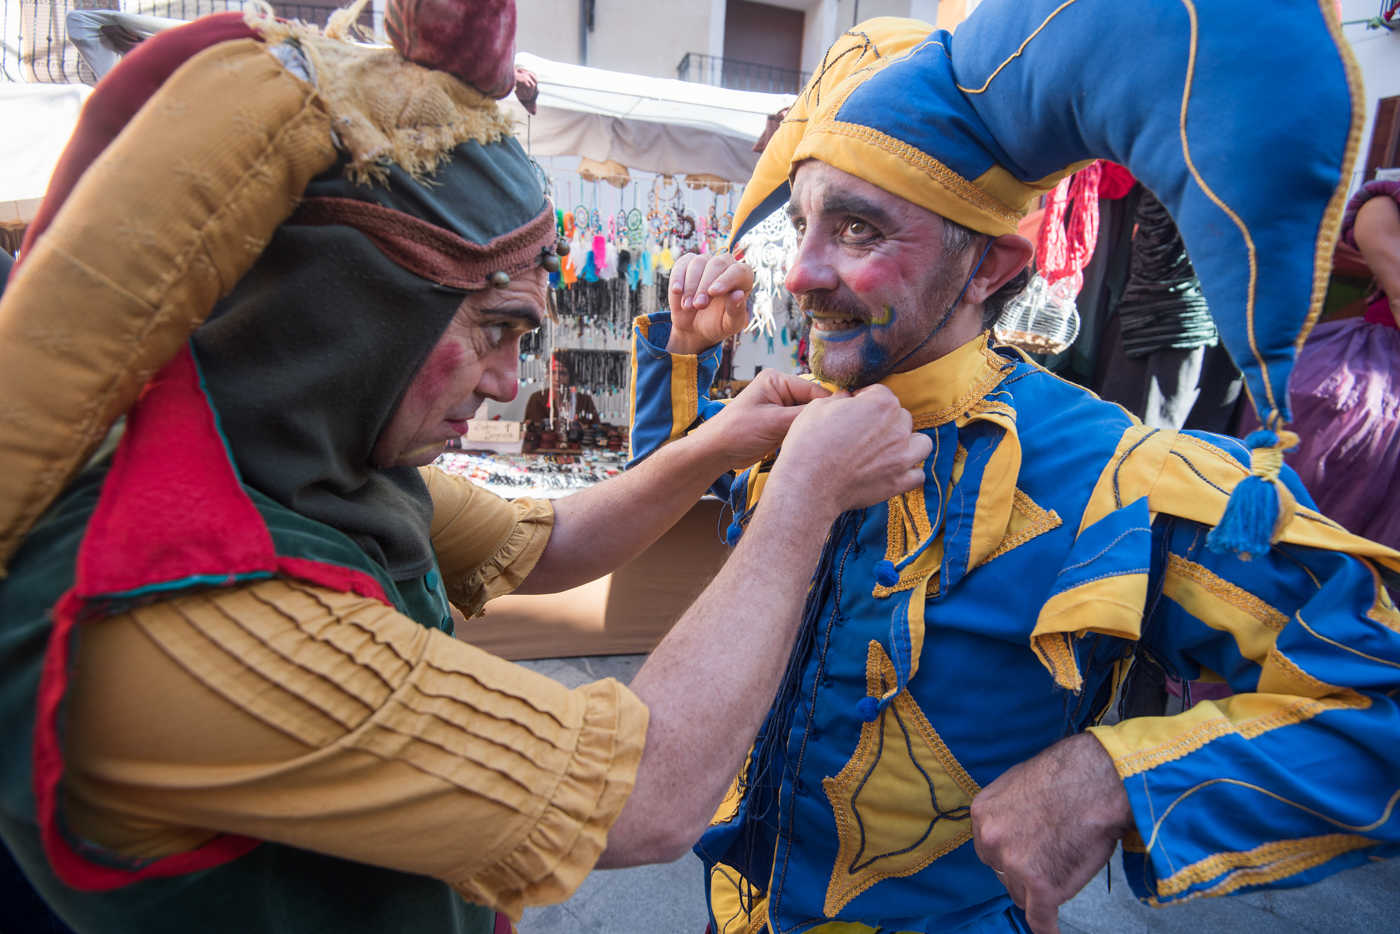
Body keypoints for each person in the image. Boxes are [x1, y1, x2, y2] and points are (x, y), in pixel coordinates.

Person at [0, 6, 933, 933]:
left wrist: (721, 441)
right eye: (496, 329)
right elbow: (648, 795)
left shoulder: (303, 472)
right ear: (350, 318)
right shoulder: (183, 606)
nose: (506, 382)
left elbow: (558, 541)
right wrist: (802, 501)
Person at [628, 6, 1400, 934]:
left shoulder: (1119, 478)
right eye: (803, 224)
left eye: (859, 229)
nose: (799, 272)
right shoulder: (801, 419)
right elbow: (658, 492)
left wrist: (1121, 775)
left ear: (991, 265)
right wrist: (678, 350)